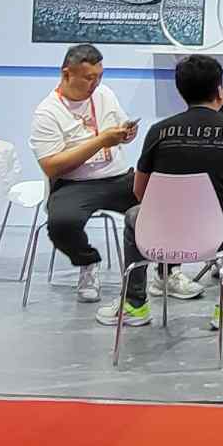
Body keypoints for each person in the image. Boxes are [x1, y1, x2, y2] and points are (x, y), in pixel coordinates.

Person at [102, 53, 223, 332]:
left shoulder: (158, 132)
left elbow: (140, 192)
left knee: (134, 216)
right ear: (220, 90)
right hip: (217, 235)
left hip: (160, 233)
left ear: (180, 90)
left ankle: (134, 303)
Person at [29, 44, 163, 304]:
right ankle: (88, 262)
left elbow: (118, 129)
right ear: (67, 74)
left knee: (164, 203)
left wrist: (126, 134)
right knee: (62, 224)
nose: (95, 83)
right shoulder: (47, 112)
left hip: (119, 177)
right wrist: (101, 141)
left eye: (99, 76)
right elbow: (51, 166)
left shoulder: (104, 94)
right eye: (89, 77)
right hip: (74, 184)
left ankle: (167, 272)